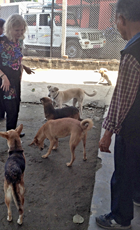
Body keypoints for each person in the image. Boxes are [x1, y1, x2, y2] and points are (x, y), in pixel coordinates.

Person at [96, 0, 140, 229]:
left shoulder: (132, 52)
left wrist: (108, 132)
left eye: (116, 22)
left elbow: (122, 100)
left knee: (122, 172)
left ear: (122, 19)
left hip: (132, 128)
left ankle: (121, 218)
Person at [0, 14, 34, 134]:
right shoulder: (1, 41)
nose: (20, 32)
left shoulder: (19, 41)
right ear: (9, 28)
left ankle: (13, 132)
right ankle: (11, 135)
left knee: (16, 105)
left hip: (15, 78)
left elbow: (15, 59)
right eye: (17, 30)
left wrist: (24, 67)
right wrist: (3, 77)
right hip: (5, 79)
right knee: (10, 108)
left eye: (22, 29)